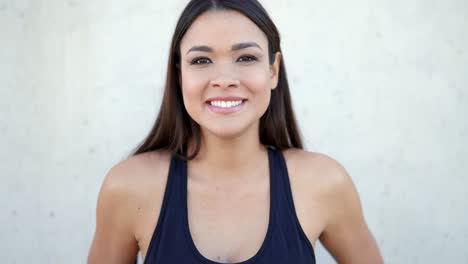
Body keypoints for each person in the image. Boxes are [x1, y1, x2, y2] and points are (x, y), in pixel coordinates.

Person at [87, 0, 383, 263]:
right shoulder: (127, 188)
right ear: (180, 76)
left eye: (246, 58)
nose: (225, 79)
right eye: (201, 60)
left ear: (273, 70)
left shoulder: (324, 183)